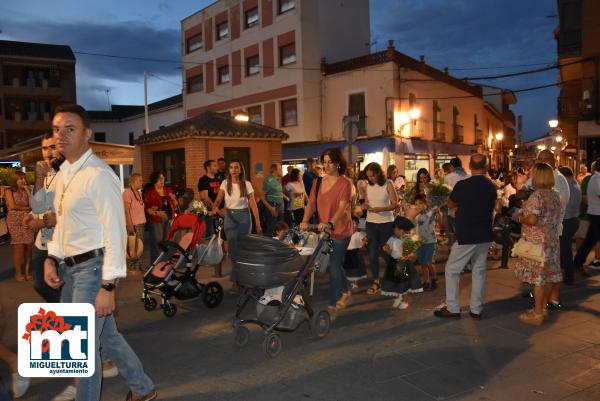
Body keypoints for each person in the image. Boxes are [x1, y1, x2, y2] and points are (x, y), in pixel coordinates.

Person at [43, 104, 156, 401]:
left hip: (93, 270)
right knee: (106, 336)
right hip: (71, 269)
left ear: (87, 134)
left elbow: (116, 233)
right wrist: (52, 257)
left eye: (70, 128)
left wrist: (108, 286)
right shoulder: (65, 173)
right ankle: (143, 390)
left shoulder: (99, 175)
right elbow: (65, 223)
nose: (61, 135)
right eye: (57, 129)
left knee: (80, 348)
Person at [434, 154, 497, 320]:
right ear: (486, 166)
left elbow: (450, 203)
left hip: (467, 233)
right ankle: (476, 309)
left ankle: (453, 307)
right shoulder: (491, 186)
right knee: (479, 271)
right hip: (484, 233)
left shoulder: (463, 185)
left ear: (469, 165)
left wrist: (458, 209)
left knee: (452, 269)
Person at [300, 148, 353, 312]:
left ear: (338, 163)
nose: (327, 165)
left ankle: (333, 300)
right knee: (335, 264)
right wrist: (304, 220)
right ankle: (346, 289)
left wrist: (330, 223)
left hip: (341, 229)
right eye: (324, 162)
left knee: (334, 266)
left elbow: (343, 208)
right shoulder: (318, 182)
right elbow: (311, 204)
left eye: (330, 162)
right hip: (325, 231)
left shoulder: (345, 183)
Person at [513, 163, 562, 325]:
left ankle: (537, 313)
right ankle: (543, 308)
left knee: (538, 279)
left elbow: (532, 220)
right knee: (548, 277)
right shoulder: (555, 195)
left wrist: (521, 217)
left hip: (537, 243)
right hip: (552, 241)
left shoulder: (537, 196)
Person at [24, 133, 62, 302]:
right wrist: (31, 215)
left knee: (58, 284)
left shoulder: (67, 173)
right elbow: (40, 206)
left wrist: (51, 220)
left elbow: (81, 210)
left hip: (61, 242)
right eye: (45, 148)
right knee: (40, 284)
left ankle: (69, 317)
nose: (48, 152)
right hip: (42, 242)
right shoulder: (45, 174)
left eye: (53, 147)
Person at [213, 160, 262, 288]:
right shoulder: (225, 183)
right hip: (230, 218)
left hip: (244, 218)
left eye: (236, 167)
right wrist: (215, 208)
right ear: (229, 170)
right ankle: (236, 280)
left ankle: (243, 277)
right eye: (231, 167)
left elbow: (253, 205)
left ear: (241, 170)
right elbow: (218, 199)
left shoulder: (247, 184)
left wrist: (258, 223)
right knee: (233, 250)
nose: (234, 170)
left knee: (243, 249)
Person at [362, 162, 398, 296]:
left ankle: (396, 272)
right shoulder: (368, 185)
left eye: (372, 176)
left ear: (378, 173)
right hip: (371, 222)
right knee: (372, 254)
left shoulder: (388, 183)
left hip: (386, 223)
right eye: (368, 176)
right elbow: (366, 201)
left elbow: (395, 204)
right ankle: (376, 281)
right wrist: (364, 206)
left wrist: (380, 209)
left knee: (386, 252)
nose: (370, 178)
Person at [381, 216, 422, 309]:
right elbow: (389, 249)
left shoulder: (408, 240)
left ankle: (405, 300)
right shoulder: (392, 238)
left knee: (404, 283)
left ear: (402, 230)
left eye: (396, 229)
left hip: (404, 264)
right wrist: (386, 249)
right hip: (393, 263)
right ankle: (398, 297)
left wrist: (409, 255)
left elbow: (413, 255)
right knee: (395, 281)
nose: (394, 231)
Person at [555, 166, 581, 289]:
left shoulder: (568, 186)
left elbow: (562, 205)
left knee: (565, 250)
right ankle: (567, 275)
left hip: (567, 220)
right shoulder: (575, 183)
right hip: (573, 219)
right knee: (565, 249)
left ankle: (568, 277)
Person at [5, 170, 34, 282]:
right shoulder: (9, 190)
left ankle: (27, 271)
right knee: (19, 247)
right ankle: (18, 272)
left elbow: (33, 205)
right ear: (15, 180)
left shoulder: (28, 190)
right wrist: (26, 208)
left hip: (27, 221)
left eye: (23, 178)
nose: (23, 181)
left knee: (29, 246)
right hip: (14, 221)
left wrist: (27, 191)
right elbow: (12, 206)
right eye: (20, 179)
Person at [144, 171, 178, 262]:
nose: (162, 181)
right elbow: (147, 208)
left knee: (167, 240)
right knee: (157, 242)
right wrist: (156, 212)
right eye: (160, 179)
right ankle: (156, 263)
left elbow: (175, 204)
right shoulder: (150, 193)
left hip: (169, 218)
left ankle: (165, 261)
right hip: (156, 220)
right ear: (155, 180)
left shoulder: (168, 190)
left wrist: (174, 199)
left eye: (163, 179)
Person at [406, 193, 438, 291]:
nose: (418, 205)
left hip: (430, 241)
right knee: (423, 264)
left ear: (425, 203)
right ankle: (426, 281)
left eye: (420, 203)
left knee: (428, 263)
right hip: (419, 242)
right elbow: (411, 225)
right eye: (416, 204)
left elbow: (436, 208)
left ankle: (434, 278)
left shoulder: (431, 212)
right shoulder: (415, 215)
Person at [574, 159, 600, 272]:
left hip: (594, 212)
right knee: (590, 240)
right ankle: (578, 262)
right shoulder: (597, 179)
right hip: (597, 213)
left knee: (590, 240)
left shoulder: (594, 178)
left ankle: (578, 262)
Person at [123, 173, 146, 275]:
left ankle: (139, 267)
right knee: (133, 246)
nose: (142, 182)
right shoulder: (127, 193)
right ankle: (131, 268)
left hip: (141, 223)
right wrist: (130, 225)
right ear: (134, 181)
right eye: (140, 180)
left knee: (139, 247)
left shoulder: (139, 193)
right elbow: (126, 211)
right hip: (133, 224)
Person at [197, 159, 221, 238]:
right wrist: (216, 210)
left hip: (220, 210)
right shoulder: (203, 180)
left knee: (221, 236)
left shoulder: (219, 178)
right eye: (214, 166)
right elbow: (205, 198)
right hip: (210, 213)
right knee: (210, 237)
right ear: (208, 168)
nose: (217, 167)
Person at [262, 163, 287, 237]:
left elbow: (278, 192)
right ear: (274, 170)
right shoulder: (268, 181)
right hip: (273, 206)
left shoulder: (277, 179)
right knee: (272, 228)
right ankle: (270, 246)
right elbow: (262, 196)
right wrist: (270, 208)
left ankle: (279, 245)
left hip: (280, 205)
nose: (281, 170)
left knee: (280, 227)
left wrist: (287, 198)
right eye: (279, 169)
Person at [344, 215, 367, 291]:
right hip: (348, 253)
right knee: (348, 268)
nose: (354, 225)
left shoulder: (358, 234)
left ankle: (355, 282)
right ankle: (350, 280)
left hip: (355, 253)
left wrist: (363, 242)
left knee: (355, 268)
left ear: (357, 224)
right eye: (352, 223)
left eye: (355, 224)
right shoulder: (346, 234)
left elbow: (363, 241)